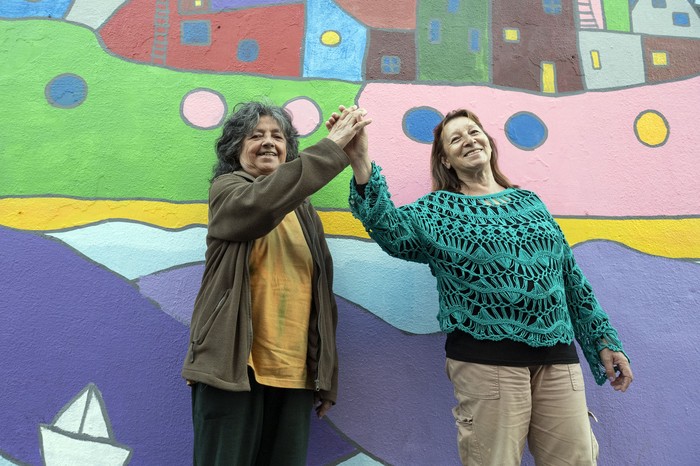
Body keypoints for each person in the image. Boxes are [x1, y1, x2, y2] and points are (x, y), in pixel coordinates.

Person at [329, 107, 633, 465]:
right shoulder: (437, 211)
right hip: (488, 365)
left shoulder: (530, 204)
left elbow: (570, 277)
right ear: (445, 159)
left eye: (473, 132)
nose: (468, 140)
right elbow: (392, 232)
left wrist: (603, 340)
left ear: (488, 141)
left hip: (557, 359)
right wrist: (361, 161)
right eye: (455, 139)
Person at [182, 101, 371, 466]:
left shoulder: (304, 211)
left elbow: (320, 296)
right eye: (256, 136)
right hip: (234, 369)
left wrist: (325, 375)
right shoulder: (228, 190)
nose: (269, 143)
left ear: (289, 151)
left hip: (295, 373)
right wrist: (332, 149)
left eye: (278, 137)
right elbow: (263, 204)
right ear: (236, 149)